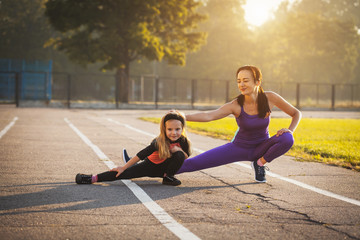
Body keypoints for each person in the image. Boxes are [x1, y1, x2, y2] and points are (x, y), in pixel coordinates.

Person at [175, 65, 302, 183]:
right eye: (239, 81)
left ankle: (259, 163)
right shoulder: (235, 105)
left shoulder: (270, 98)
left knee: (287, 138)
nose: (241, 84)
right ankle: (160, 170)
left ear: (257, 82)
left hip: (262, 147)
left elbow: (296, 113)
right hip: (239, 148)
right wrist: (181, 116)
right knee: (190, 164)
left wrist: (290, 130)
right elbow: (209, 115)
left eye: (245, 80)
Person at [75, 110, 191, 186]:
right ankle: (91, 178)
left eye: (177, 129)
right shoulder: (159, 142)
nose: (174, 133)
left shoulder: (184, 141)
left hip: (165, 170)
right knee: (123, 174)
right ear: (164, 130)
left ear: (182, 129)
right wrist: (123, 167)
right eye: (169, 129)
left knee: (179, 154)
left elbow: (185, 157)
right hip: (150, 166)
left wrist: (179, 150)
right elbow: (141, 155)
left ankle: (168, 178)